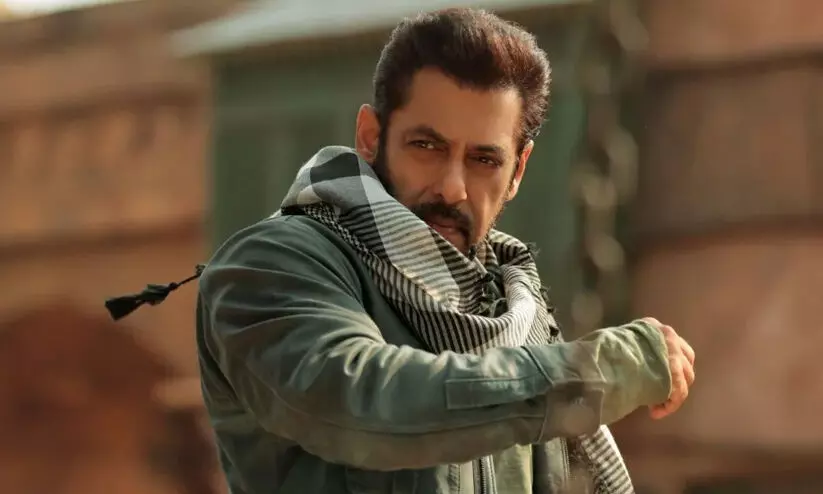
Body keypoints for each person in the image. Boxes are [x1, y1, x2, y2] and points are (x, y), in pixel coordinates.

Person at [195, 8, 695, 494]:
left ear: (517, 172)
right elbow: (366, 404)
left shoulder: (516, 310)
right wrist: (594, 373)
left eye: (483, 160)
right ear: (371, 137)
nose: (452, 188)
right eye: (427, 147)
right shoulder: (273, 264)